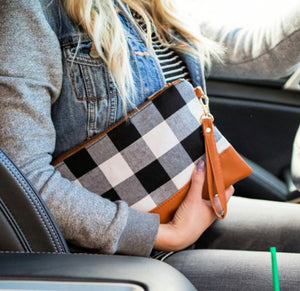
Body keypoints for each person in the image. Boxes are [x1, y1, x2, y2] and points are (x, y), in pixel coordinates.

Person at [0, 0, 300, 289]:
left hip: (187, 211)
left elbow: (257, 55)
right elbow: (25, 179)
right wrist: (166, 233)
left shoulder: (151, 6)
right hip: (115, 253)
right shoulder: (32, 10)